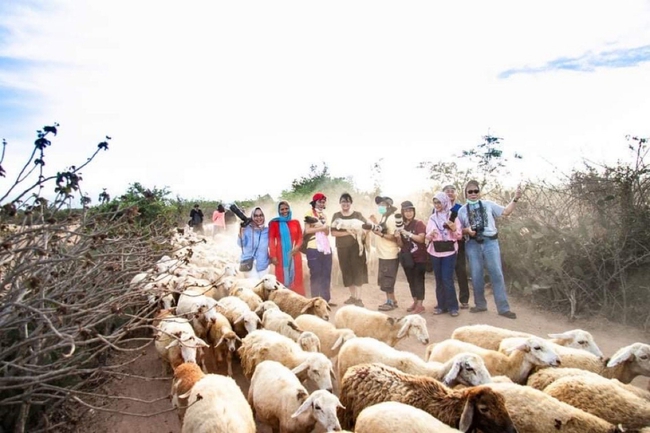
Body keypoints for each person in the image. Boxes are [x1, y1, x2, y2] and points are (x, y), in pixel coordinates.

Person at [457, 180, 522, 319]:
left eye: (476, 191)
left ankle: (503, 308)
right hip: (473, 244)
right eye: (470, 191)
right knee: (476, 275)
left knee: (496, 274)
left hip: (490, 242)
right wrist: (467, 230)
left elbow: (505, 212)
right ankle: (480, 305)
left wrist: (515, 198)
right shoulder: (462, 210)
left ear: (479, 192)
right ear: (466, 193)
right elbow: (458, 231)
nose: (473, 194)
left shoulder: (488, 204)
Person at [426, 192, 463, 317]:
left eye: (439, 202)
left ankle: (453, 306)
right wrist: (431, 235)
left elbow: (459, 235)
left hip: (449, 251)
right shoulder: (432, 218)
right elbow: (427, 235)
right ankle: (441, 305)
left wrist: (453, 229)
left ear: (444, 202)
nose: (437, 205)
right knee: (439, 279)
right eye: (435, 202)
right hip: (435, 251)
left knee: (447, 279)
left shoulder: (453, 216)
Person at [331, 192, 368, 307]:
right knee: (347, 272)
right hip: (343, 248)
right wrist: (349, 231)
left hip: (357, 248)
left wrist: (362, 233)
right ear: (340, 203)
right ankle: (353, 296)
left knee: (358, 270)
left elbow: (366, 227)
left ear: (351, 203)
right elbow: (333, 232)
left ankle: (359, 298)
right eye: (343, 201)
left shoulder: (357, 215)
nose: (345, 204)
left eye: (347, 201)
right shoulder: (336, 216)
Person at [395, 200, 427, 314]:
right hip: (407, 257)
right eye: (406, 211)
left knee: (419, 280)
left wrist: (407, 233)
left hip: (419, 257)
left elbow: (421, 239)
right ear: (402, 213)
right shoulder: (401, 225)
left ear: (414, 211)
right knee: (410, 280)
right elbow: (401, 245)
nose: (408, 213)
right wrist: (398, 237)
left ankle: (420, 305)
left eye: (410, 210)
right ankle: (415, 301)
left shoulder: (419, 223)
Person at [368, 196, 400, 311]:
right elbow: (382, 229)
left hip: (389, 254)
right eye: (379, 204)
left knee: (387, 279)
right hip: (383, 254)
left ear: (389, 206)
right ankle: (393, 300)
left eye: (383, 204)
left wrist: (380, 235)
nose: (380, 206)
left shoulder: (391, 218)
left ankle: (390, 302)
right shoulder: (384, 217)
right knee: (385, 278)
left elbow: (394, 237)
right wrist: (375, 223)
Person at [268, 200, 305, 295]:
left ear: (290, 209)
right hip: (280, 256)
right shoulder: (274, 223)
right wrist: (273, 256)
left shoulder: (295, 222)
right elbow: (271, 240)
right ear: (279, 211)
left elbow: (300, 237)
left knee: (296, 278)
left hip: (295, 254)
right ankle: (284, 300)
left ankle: (297, 301)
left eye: (286, 208)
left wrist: (297, 247)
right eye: (282, 209)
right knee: (282, 279)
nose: (284, 211)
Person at [304, 192, 334, 305]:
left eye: (323, 202)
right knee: (316, 274)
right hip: (313, 247)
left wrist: (324, 228)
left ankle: (325, 300)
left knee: (326, 273)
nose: (321, 204)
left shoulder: (324, 215)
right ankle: (315, 301)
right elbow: (307, 230)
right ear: (314, 202)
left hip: (325, 247)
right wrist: (322, 227)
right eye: (319, 202)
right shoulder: (309, 213)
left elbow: (327, 232)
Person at [443, 184, 471, 309]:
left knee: (461, 270)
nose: (450, 193)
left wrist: (458, 230)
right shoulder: (438, 208)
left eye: (452, 191)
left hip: (458, 242)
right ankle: (446, 300)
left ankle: (464, 299)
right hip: (443, 243)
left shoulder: (461, 208)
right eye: (447, 191)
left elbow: (467, 226)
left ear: (456, 194)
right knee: (446, 273)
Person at [237, 207, 270, 279]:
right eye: (256, 216)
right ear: (252, 217)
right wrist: (241, 231)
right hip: (248, 263)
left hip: (263, 264)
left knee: (263, 287)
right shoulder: (247, 228)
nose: (259, 218)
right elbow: (240, 244)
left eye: (261, 215)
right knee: (255, 284)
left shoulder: (267, 230)